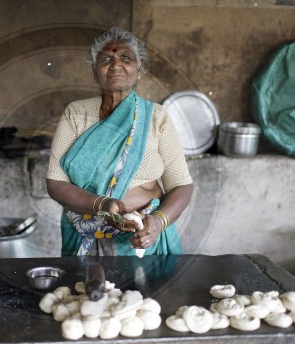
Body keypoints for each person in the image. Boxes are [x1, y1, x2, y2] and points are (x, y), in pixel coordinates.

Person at [46, 27, 193, 256]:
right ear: (95, 72)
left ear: (139, 67)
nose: (116, 65)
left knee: (151, 292)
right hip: (87, 234)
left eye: (125, 57)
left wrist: (158, 222)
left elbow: (182, 185)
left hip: (145, 236)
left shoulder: (156, 116)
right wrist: (101, 205)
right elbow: (55, 182)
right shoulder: (76, 113)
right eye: (106, 59)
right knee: (84, 291)